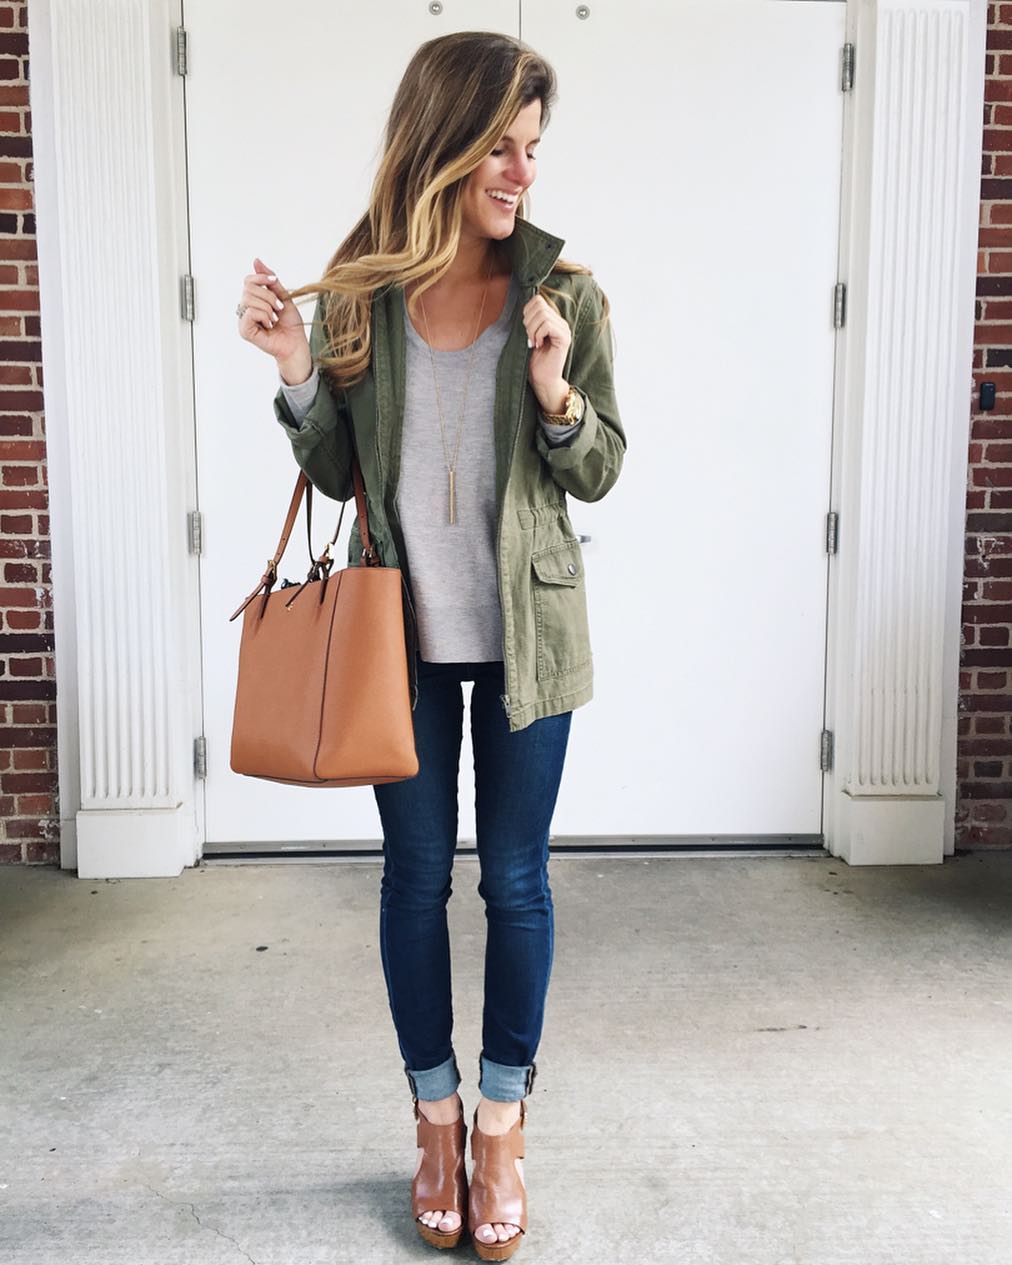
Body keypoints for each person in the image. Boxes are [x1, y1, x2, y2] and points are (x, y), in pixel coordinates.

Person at [235, 30, 625, 1259]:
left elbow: (603, 467)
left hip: (527, 637)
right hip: (394, 639)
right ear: (444, 142)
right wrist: (301, 370)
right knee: (413, 882)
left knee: (515, 883)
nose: (520, 173)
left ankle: (502, 1123)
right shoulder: (362, 288)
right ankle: (435, 1117)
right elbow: (347, 471)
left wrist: (558, 394)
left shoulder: (566, 294)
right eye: (500, 148)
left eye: (532, 151)